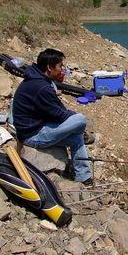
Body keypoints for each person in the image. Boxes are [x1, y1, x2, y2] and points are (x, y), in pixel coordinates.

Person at [12, 48, 93, 185]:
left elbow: (58, 109)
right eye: (60, 66)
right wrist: (73, 118)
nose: (62, 70)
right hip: (32, 135)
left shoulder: (40, 80)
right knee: (80, 120)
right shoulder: (41, 87)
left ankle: (83, 177)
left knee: (76, 138)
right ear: (49, 67)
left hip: (38, 126)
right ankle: (83, 137)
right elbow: (59, 115)